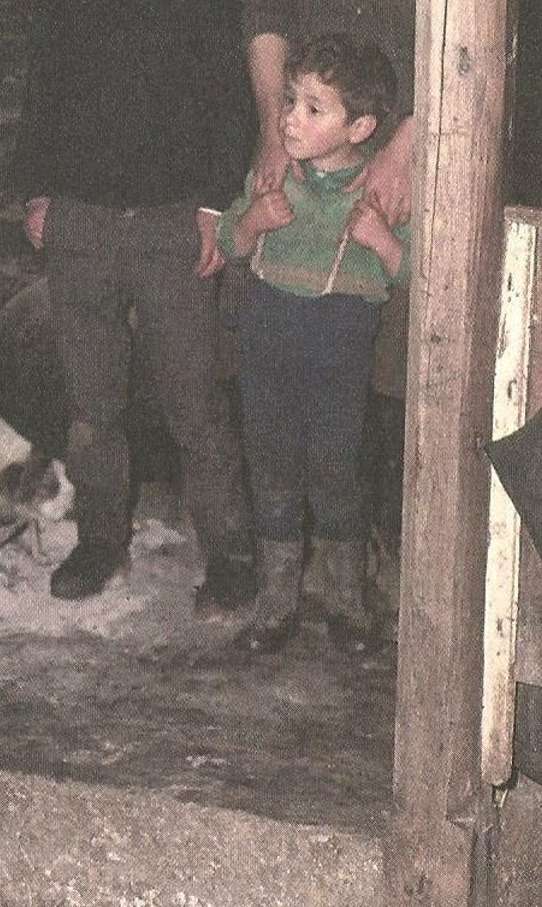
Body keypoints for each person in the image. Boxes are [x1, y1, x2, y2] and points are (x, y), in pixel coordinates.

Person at [9, 0, 258, 610]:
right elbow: (38, 104)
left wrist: (216, 207)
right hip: (81, 224)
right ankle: (99, 540)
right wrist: (39, 194)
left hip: (167, 223)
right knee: (91, 404)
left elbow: (229, 108)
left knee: (194, 399)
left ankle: (229, 552)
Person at [242, 0, 419, 599]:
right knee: (289, 345)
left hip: (415, 147)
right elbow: (268, 5)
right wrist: (276, 126)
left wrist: (409, 142)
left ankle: (384, 562)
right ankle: (294, 565)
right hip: (309, 143)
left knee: (388, 354)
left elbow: (475, 21)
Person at [217, 35, 410, 656]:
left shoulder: (381, 194)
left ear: (361, 127)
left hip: (338, 356)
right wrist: (253, 221)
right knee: (272, 470)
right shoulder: (275, 178)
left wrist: (380, 240)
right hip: (267, 346)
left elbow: (417, 278)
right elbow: (230, 243)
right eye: (289, 101)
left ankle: (348, 604)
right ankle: (275, 606)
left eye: (312, 109)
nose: (289, 118)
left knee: (336, 472)